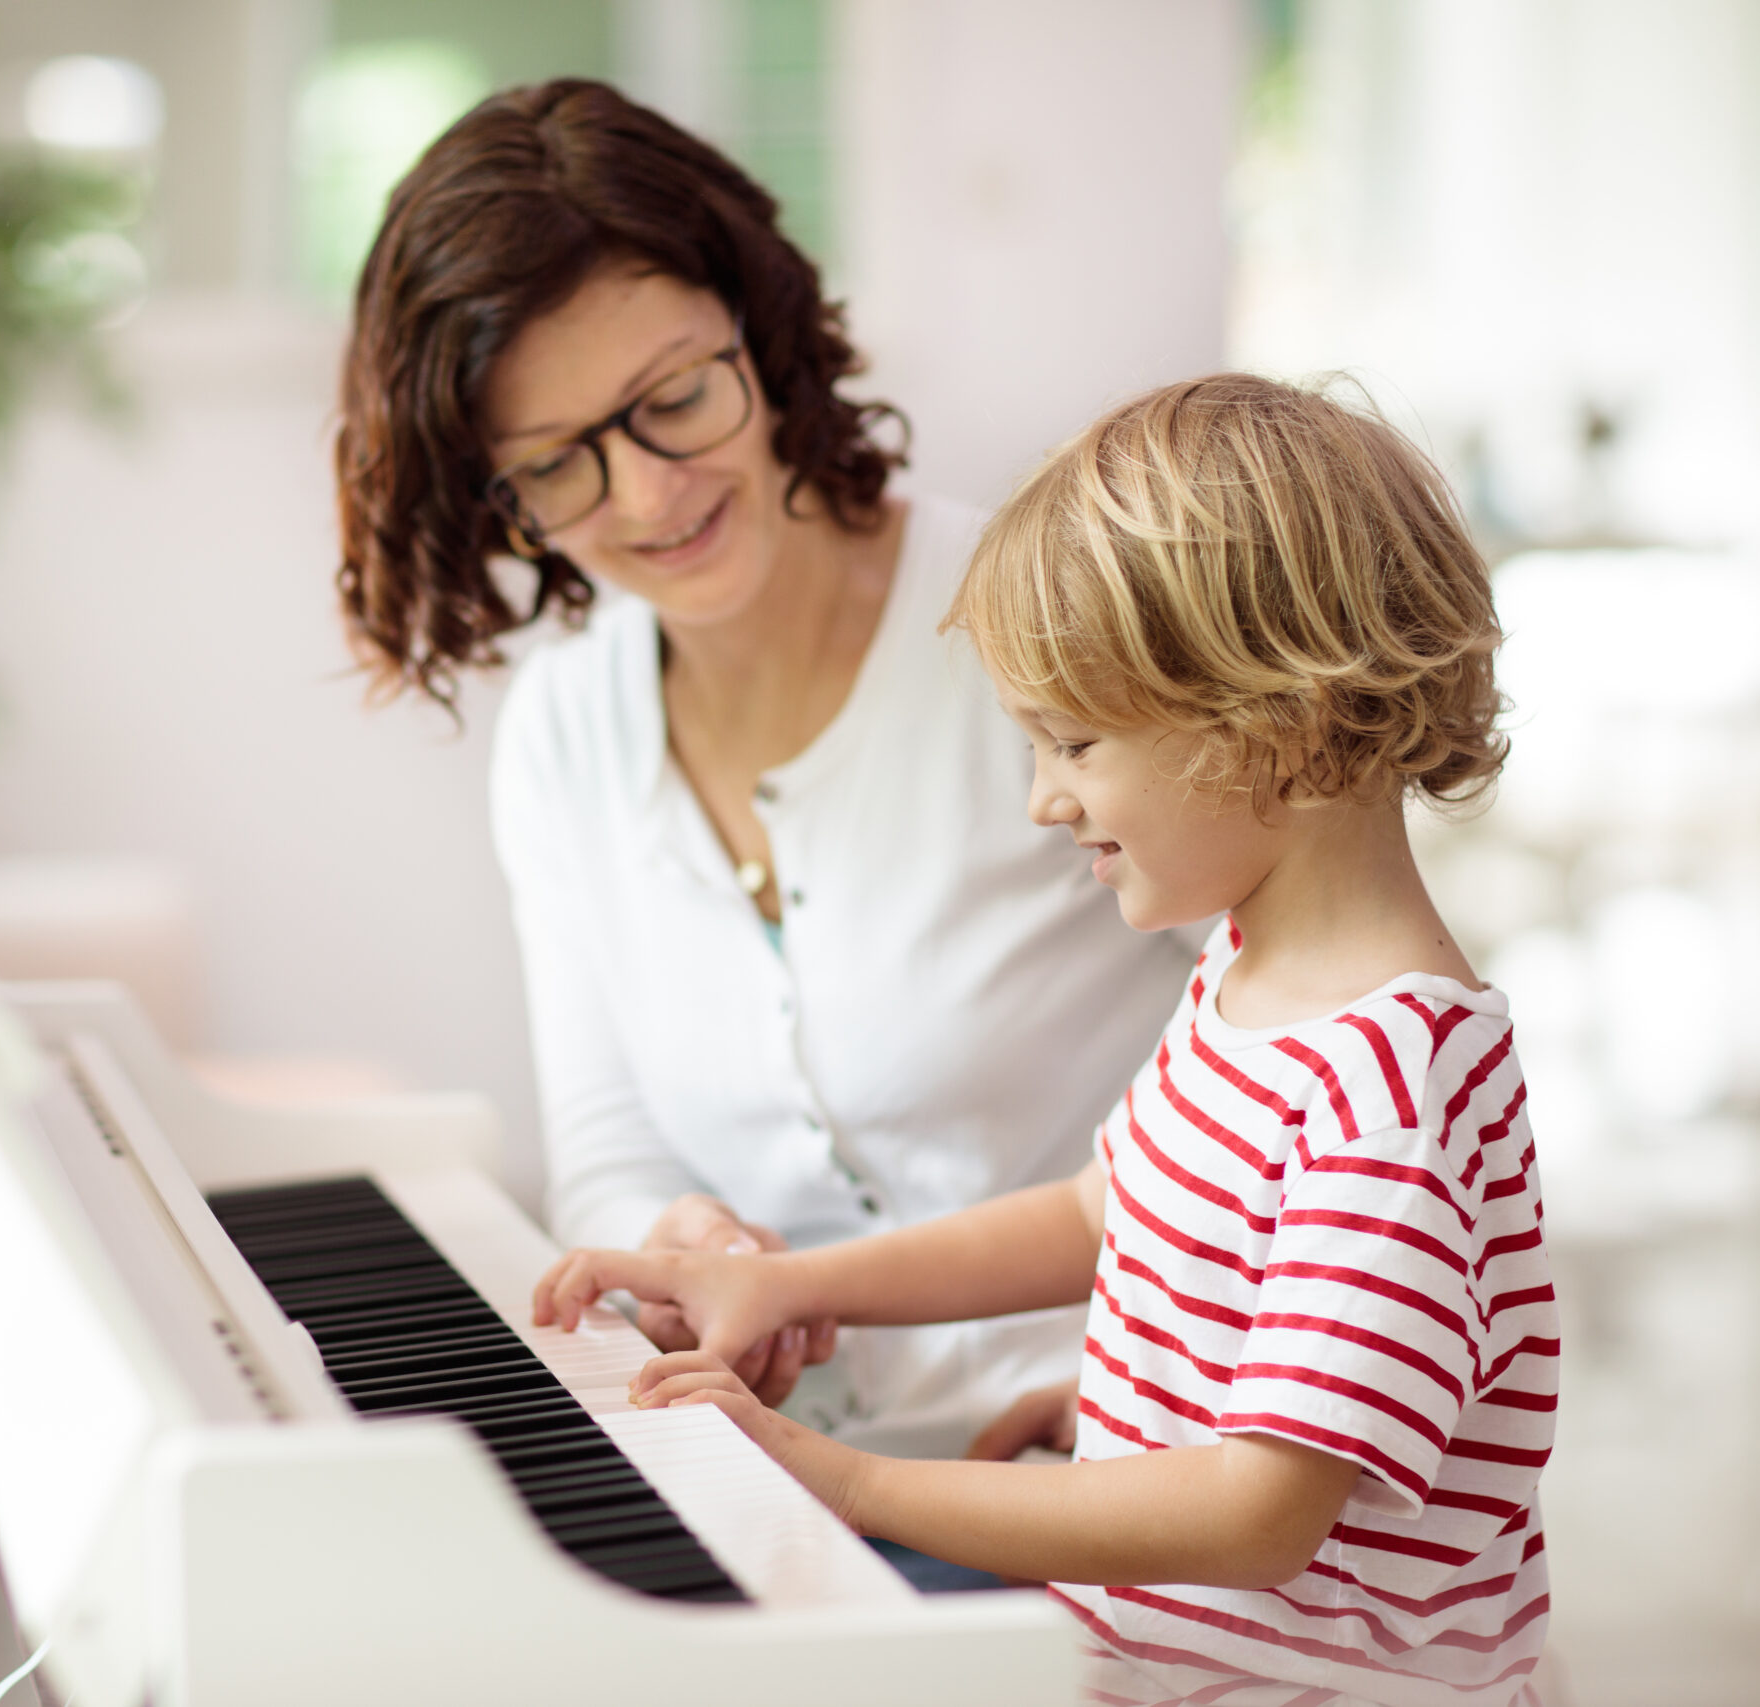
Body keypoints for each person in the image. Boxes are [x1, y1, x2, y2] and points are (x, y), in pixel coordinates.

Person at [533, 375, 1559, 1704]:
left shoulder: (1388, 1094)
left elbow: (1260, 1513)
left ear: (1280, 725)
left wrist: (854, 1481)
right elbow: (1108, 1215)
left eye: (1073, 744)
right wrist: (802, 1288)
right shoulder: (1253, 983)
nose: (1040, 802)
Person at [333, 76, 1191, 1496]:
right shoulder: (563, 735)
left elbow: (1320, 1063)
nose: (650, 496)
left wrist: (1169, 1387)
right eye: (555, 466)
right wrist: (681, 1248)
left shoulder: (1038, 626)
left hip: (1135, 1457)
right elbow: (604, 1149)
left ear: (763, 330)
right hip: (780, 1485)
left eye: (676, 397)